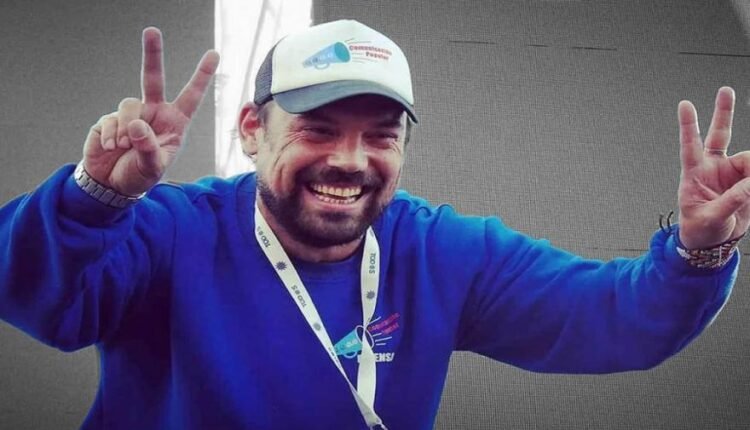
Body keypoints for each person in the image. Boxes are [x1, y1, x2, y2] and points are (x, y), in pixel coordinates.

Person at [0, 19, 746, 430]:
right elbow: (38, 301)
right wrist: (92, 200)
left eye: (381, 135)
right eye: (318, 128)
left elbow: (615, 319)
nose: (351, 160)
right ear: (253, 128)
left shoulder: (440, 252)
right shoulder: (168, 230)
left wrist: (699, 251)